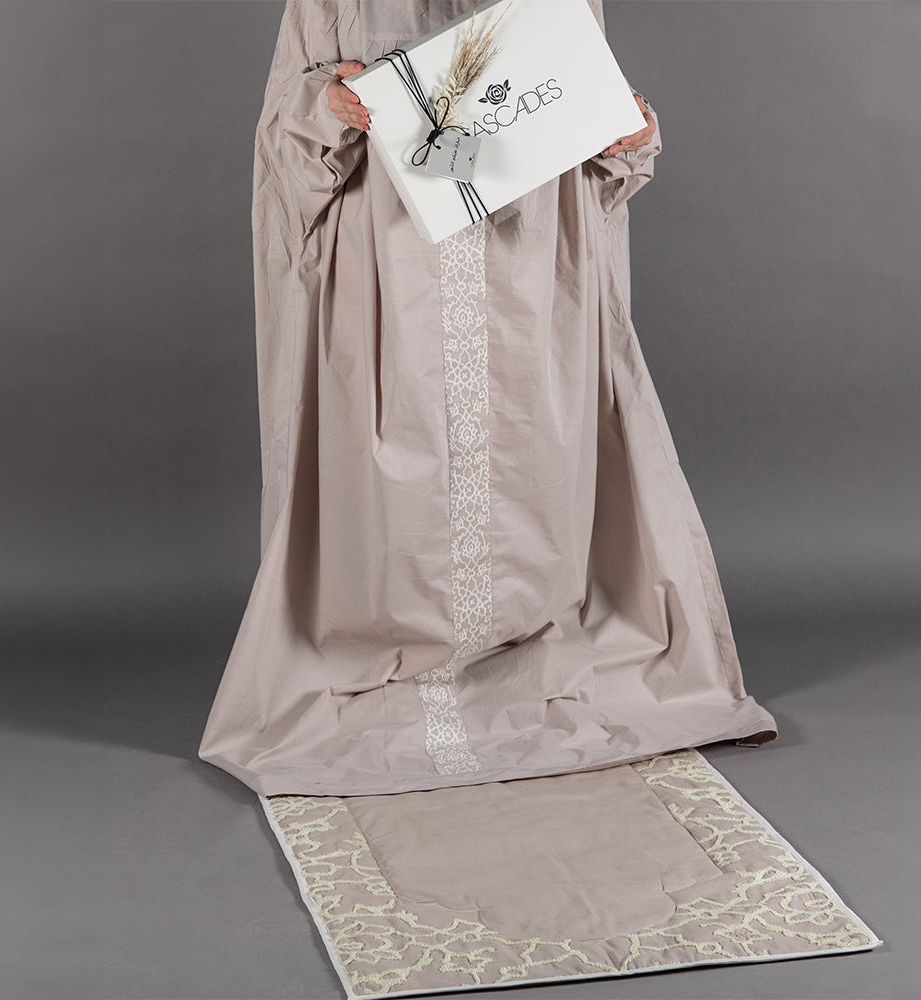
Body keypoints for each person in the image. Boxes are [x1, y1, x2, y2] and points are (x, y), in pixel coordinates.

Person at [198, 0, 776, 798]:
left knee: (532, 467)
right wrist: (327, 104)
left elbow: (590, 147)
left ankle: (534, 646)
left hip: (529, 271)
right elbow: (284, 148)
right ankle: (388, 652)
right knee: (401, 477)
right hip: (387, 265)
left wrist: (630, 137)